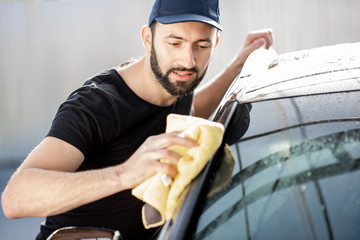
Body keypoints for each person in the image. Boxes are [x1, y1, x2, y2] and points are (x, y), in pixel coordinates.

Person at [1, 0, 273, 239]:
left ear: (215, 44)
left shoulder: (177, 85)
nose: (188, 60)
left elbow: (192, 109)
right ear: (147, 38)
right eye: (174, 43)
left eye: (201, 46)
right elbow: (14, 199)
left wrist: (238, 65)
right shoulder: (97, 105)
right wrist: (125, 174)